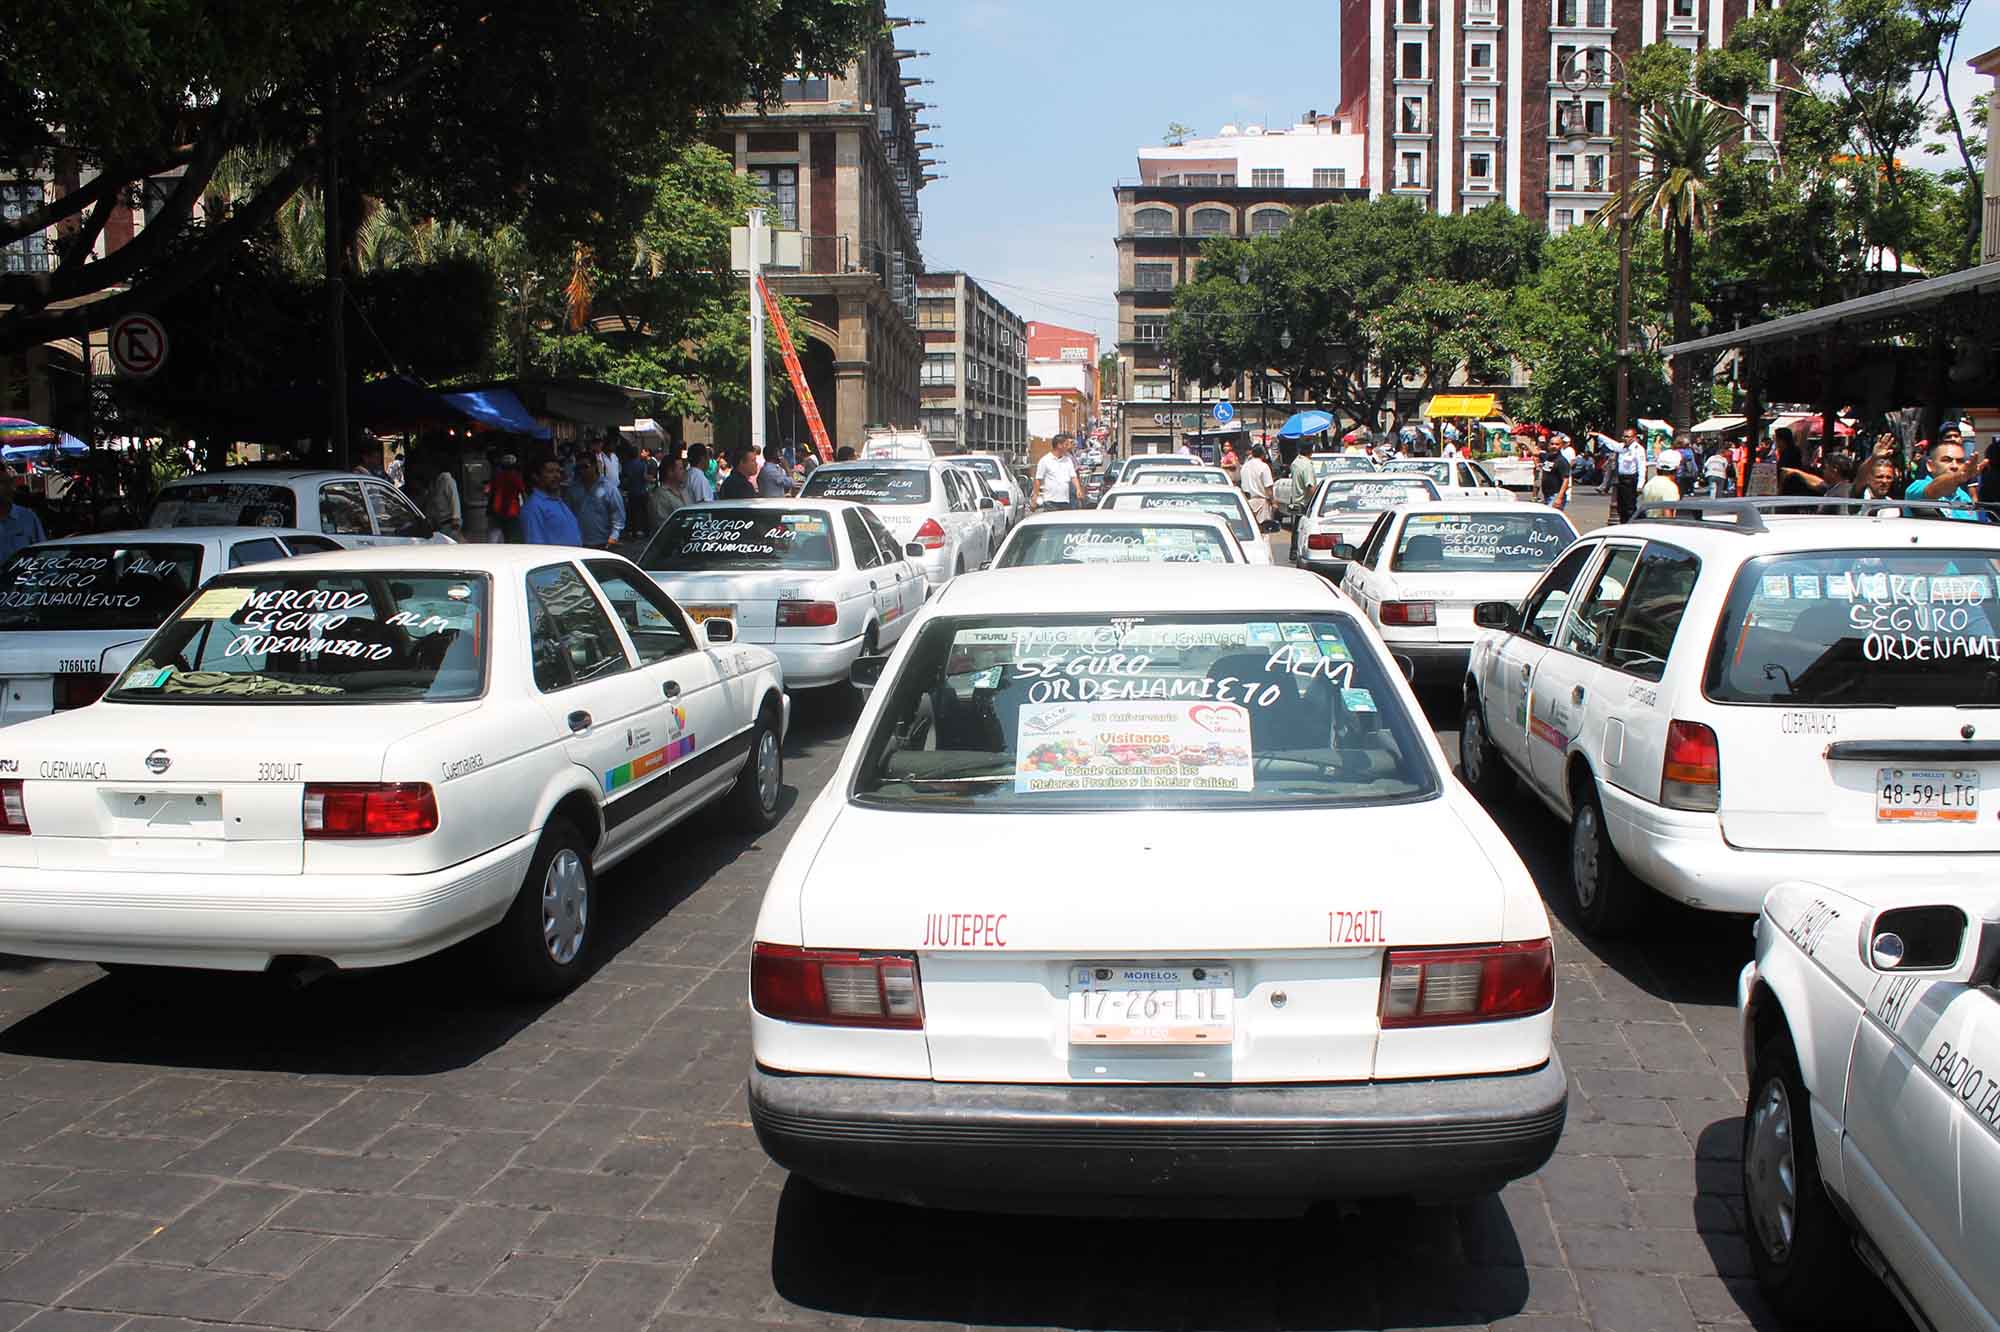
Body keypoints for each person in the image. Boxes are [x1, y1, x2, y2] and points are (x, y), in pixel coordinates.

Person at [1904, 435, 1989, 521]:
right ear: (1930, 465)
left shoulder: (1963, 496)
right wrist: (1957, 478)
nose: (1955, 466)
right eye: (1946, 460)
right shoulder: (1917, 488)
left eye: (1960, 461)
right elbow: (1934, 489)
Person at [520, 454, 583, 545]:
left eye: (558, 471)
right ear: (536, 476)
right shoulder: (533, 507)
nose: (557, 475)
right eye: (550, 472)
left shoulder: (558, 501)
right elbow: (536, 547)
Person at [565, 453, 626, 547]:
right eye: (579, 467)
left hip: (603, 542)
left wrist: (614, 536)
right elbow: (568, 515)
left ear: (594, 466)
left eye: (585, 466)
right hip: (579, 543)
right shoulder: (573, 489)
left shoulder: (609, 488)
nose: (582, 471)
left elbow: (618, 515)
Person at [0, 470, 47, 561]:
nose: (9, 488)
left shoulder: (27, 517)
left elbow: (43, 554)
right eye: (2, 483)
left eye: (10, 482)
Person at [1032, 432, 1082, 511]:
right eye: (1066, 445)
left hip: (1065, 501)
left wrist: (1078, 489)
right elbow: (1038, 479)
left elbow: (1073, 476)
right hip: (1050, 502)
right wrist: (1035, 496)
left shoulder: (1068, 460)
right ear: (1059, 445)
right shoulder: (1045, 460)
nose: (1068, 447)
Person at [422, 448, 463, 539]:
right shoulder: (433, 483)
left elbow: (454, 500)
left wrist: (456, 521)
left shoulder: (446, 480)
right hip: (438, 525)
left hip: (449, 525)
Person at [487, 452, 527, 543]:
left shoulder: (496, 476)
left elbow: (489, 491)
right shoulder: (517, 477)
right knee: (511, 536)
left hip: (497, 509)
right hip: (512, 511)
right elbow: (523, 493)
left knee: (496, 535)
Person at [1240, 443, 1277, 531]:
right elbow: (1268, 487)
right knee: (1263, 532)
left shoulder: (1245, 466)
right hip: (1261, 502)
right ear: (1263, 455)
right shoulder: (1264, 467)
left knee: (1250, 530)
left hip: (1247, 502)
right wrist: (1273, 502)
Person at [650, 451, 691, 530]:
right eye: (680, 469)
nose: (684, 472)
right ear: (670, 472)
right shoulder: (661, 496)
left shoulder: (684, 491)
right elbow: (662, 527)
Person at [1613, 427, 1645, 522]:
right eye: (1624, 436)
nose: (1624, 438)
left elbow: (1642, 467)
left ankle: (1630, 525)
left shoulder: (1638, 449)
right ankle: (1623, 523)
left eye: (1627, 436)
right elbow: (1611, 444)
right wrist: (1600, 436)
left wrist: (1640, 484)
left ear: (1634, 438)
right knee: (1621, 507)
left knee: (1629, 508)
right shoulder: (1622, 447)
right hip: (1621, 480)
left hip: (1630, 480)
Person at [1288, 436, 1319, 528]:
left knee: (1296, 531)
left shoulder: (1296, 462)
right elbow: (1310, 486)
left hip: (1296, 504)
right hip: (1304, 505)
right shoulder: (1307, 466)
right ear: (1312, 449)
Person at [1536, 442, 1571, 510]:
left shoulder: (1562, 461)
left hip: (1555, 495)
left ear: (1561, 446)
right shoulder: (1547, 457)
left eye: (1557, 444)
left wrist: (1559, 497)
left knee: (1552, 517)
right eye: (1552, 444)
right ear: (1548, 445)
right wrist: (1525, 443)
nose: (1554, 446)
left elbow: (1566, 480)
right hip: (1547, 494)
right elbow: (1535, 453)